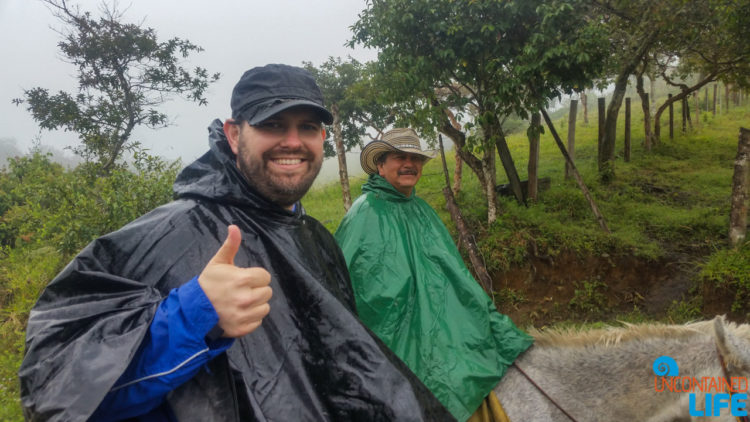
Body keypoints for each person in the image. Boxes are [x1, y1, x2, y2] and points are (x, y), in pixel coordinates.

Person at [18, 65, 454, 422]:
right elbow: (54, 389)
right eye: (271, 124)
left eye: (307, 127)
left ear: (323, 139)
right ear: (233, 133)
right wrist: (194, 314)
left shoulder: (315, 238)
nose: (292, 141)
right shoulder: (173, 233)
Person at [334, 128, 534, 422]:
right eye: (400, 157)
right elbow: (350, 290)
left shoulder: (421, 210)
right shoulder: (363, 214)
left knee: (474, 370)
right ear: (380, 165)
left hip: (445, 330)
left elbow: (455, 275)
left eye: (415, 158)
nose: (409, 164)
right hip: (396, 341)